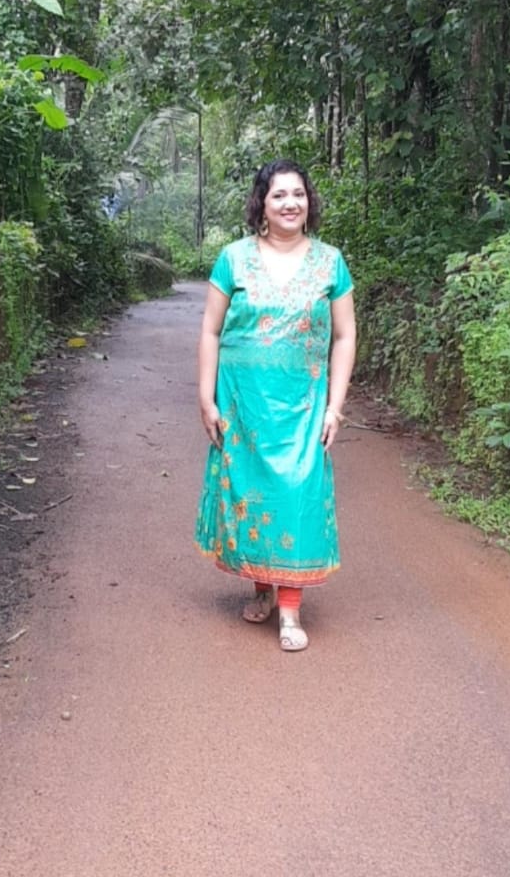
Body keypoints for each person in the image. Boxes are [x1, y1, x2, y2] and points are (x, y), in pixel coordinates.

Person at [195, 159, 356, 652]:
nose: (291, 203)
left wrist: (334, 407)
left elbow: (345, 336)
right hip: (243, 407)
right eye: (279, 195)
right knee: (253, 495)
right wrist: (206, 397)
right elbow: (211, 330)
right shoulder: (234, 259)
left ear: (310, 202)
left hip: (303, 408)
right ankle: (263, 589)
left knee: (296, 492)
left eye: (298, 194)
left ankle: (290, 610)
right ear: (261, 204)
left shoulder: (330, 262)